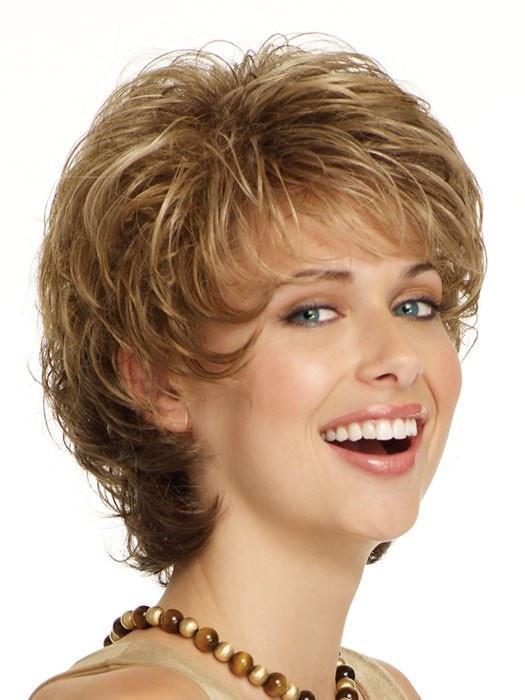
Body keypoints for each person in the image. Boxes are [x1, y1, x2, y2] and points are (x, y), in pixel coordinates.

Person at [30, 33, 486, 700]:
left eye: (414, 304)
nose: (398, 358)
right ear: (158, 382)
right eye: (312, 312)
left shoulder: (385, 689)